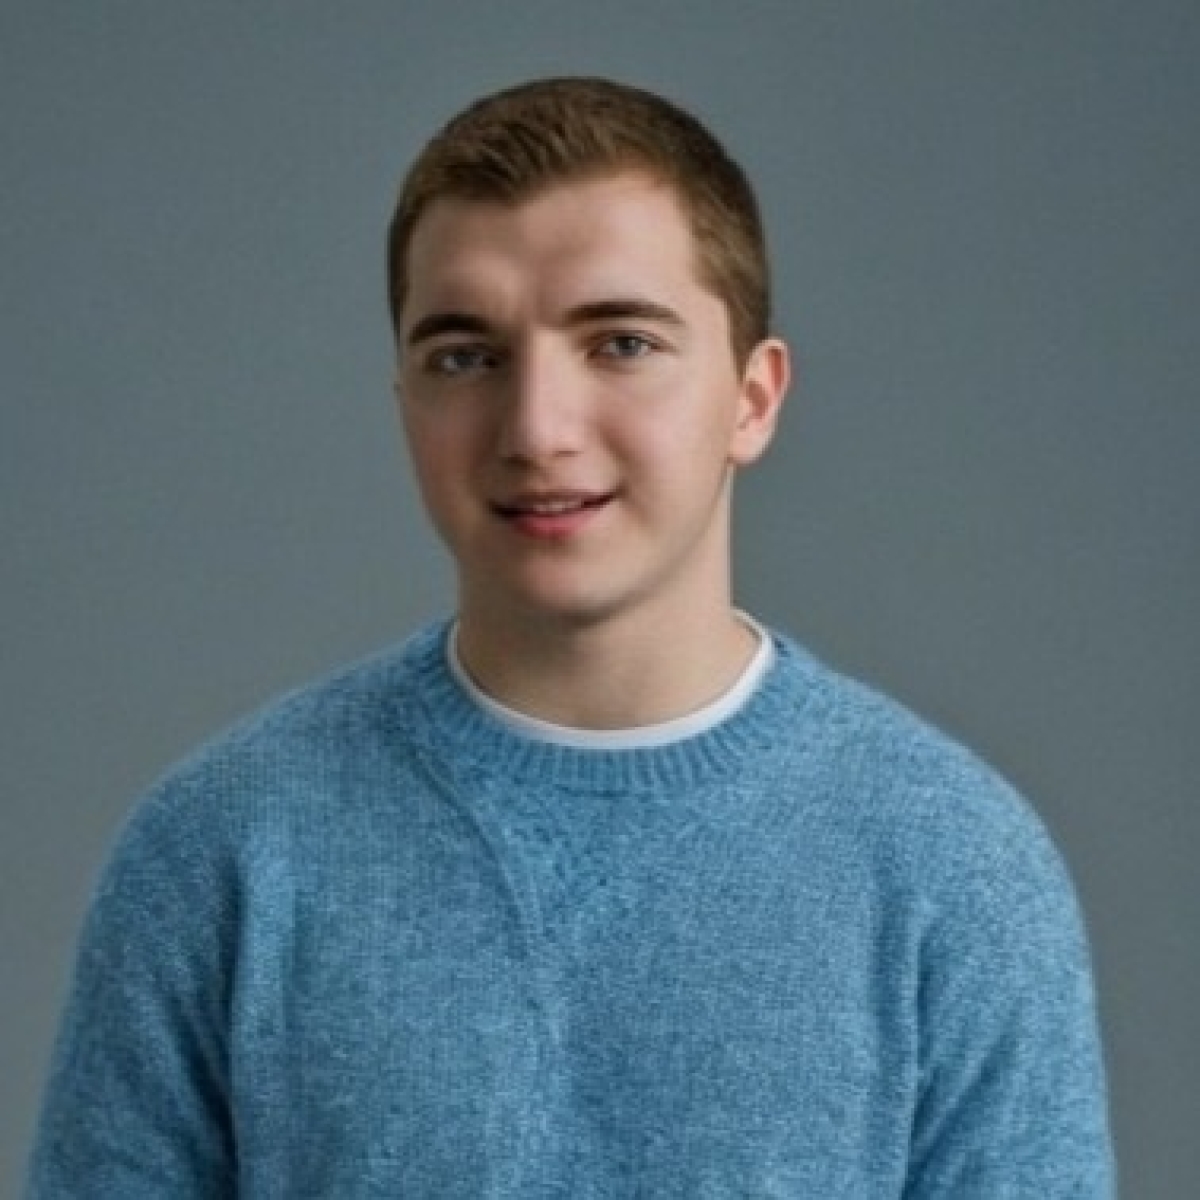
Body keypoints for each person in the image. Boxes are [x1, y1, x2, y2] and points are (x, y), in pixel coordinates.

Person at [27, 77, 1114, 1197]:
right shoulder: (222, 853)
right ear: (404, 401)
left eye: (621, 343)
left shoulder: (956, 868)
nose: (537, 429)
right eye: (466, 355)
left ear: (752, 399)